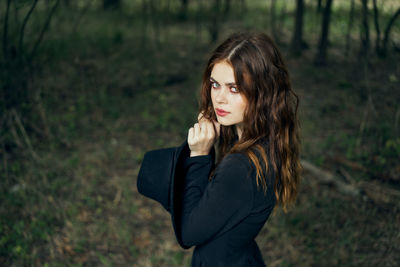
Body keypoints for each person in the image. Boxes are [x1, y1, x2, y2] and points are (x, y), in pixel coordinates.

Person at [137, 31, 301, 266]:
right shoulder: (267, 142)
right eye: (215, 85)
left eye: (234, 88)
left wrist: (199, 155)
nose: (220, 99)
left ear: (263, 92)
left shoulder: (241, 166)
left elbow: (188, 233)